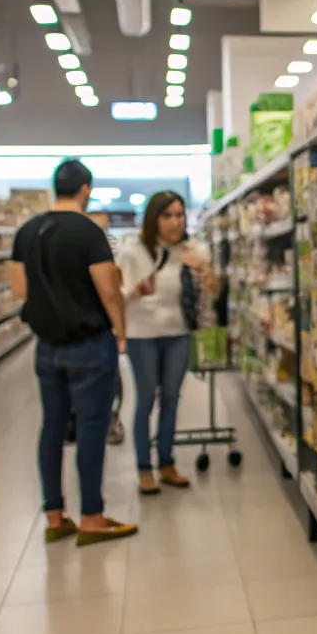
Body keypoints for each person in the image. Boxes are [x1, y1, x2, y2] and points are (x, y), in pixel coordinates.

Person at [8, 159, 138, 547]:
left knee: (52, 427)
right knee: (92, 428)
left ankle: (54, 516)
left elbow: (19, 289)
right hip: (89, 342)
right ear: (86, 189)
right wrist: (120, 331)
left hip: (47, 346)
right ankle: (93, 518)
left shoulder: (28, 231)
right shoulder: (89, 232)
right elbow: (108, 290)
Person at [118, 190, 203, 495]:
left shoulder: (190, 251)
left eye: (179, 215)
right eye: (167, 215)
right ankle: (144, 467)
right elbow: (117, 296)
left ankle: (166, 463)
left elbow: (211, 292)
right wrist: (136, 292)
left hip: (177, 333)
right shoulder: (132, 252)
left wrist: (203, 270)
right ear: (153, 219)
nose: (174, 222)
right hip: (142, 335)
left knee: (171, 398)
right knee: (145, 399)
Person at [87, 211, 125, 446]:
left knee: (111, 376)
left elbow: (117, 285)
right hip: (94, 324)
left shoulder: (111, 246)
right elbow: (111, 290)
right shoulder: (88, 245)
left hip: (102, 324)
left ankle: (111, 417)